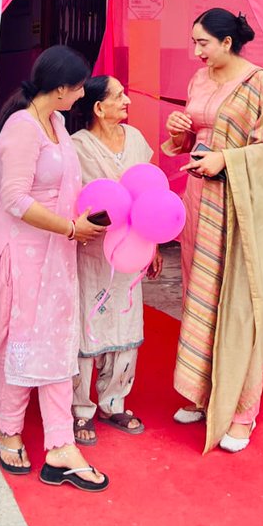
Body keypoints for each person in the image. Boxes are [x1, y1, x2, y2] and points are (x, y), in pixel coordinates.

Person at [0, 46, 109, 493]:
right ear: (61, 87)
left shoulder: (59, 124)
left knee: (58, 340)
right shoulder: (21, 129)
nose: (83, 93)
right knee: (21, 341)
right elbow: (15, 199)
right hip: (22, 256)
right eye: (80, 86)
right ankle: (9, 430)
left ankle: (61, 444)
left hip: (56, 253)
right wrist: (69, 227)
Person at [164, 8, 263, 454]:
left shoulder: (259, 83)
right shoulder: (199, 80)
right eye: (194, 41)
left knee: (238, 301)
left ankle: (242, 411)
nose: (195, 51)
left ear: (226, 43)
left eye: (202, 42)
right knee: (200, 297)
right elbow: (196, 135)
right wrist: (180, 132)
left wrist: (228, 160)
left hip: (240, 209)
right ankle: (203, 393)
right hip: (199, 203)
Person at [70, 75, 162, 446]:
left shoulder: (136, 139)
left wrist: (151, 246)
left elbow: (150, 198)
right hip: (92, 252)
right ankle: (80, 410)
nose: (128, 101)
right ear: (98, 107)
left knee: (125, 323)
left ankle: (114, 402)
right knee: (88, 325)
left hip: (132, 253)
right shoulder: (78, 147)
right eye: (119, 96)